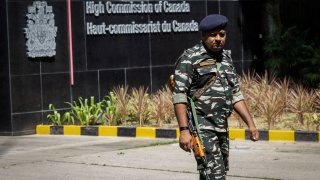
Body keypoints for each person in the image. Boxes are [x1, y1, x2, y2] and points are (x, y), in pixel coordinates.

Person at [172, 14, 260, 180]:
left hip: (221, 127)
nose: (218, 39)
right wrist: (184, 131)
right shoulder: (190, 58)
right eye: (213, 35)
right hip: (201, 127)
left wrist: (251, 124)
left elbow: (235, 94)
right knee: (215, 174)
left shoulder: (225, 59)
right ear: (203, 36)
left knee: (211, 174)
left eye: (222, 34)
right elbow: (179, 96)